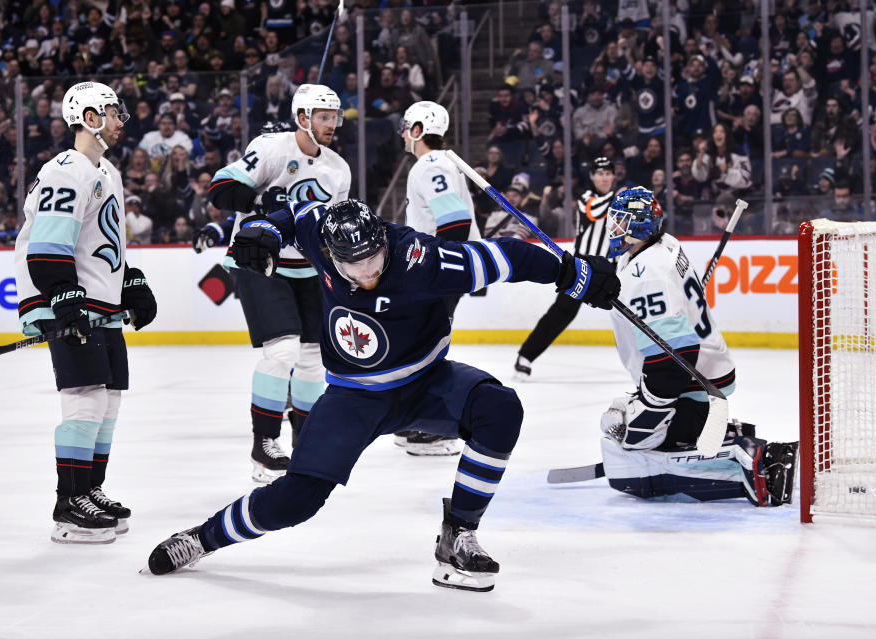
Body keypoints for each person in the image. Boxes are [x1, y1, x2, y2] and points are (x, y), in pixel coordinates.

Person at [145, 197, 620, 590]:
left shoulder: (423, 260)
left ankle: (459, 536)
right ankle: (201, 538)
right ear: (329, 254)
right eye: (353, 263)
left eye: (374, 257)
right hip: (353, 398)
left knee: (499, 408)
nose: (368, 271)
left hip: (425, 385)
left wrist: (574, 275)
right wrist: (266, 229)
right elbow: (294, 213)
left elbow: (510, 257)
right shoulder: (322, 233)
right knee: (297, 500)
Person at [13, 82, 158, 544]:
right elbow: (46, 247)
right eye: (115, 113)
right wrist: (62, 295)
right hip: (69, 300)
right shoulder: (65, 169)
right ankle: (68, 503)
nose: (121, 121)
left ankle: (90, 490)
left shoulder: (106, 171)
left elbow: (103, 241)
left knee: (109, 399)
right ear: (90, 117)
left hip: (99, 301)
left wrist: (129, 281)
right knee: (85, 398)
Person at [597, 186, 797, 506]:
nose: (613, 227)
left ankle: (756, 463)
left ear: (638, 226)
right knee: (623, 424)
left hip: (693, 380)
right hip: (710, 367)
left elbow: (674, 357)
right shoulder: (665, 244)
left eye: (620, 221)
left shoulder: (646, 273)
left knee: (634, 449)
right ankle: (712, 433)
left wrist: (650, 408)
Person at [197, 85, 351, 483]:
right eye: (323, 116)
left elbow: (331, 229)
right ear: (302, 118)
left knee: (314, 360)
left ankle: (307, 440)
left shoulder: (338, 169)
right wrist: (261, 202)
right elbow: (221, 188)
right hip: (258, 258)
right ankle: (264, 443)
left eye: (335, 116)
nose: (332, 124)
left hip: (310, 268)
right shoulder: (271, 147)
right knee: (282, 351)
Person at [397, 100, 480, 456]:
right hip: (443, 268)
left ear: (418, 131)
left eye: (406, 126)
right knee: (419, 344)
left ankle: (440, 427)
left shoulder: (429, 164)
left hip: (440, 270)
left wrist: (439, 270)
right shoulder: (440, 163)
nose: (402, 132)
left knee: (426, 347)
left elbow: (456, 222)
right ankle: (422, 421)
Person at [514, 156, 618, 378]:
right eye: (600, 173)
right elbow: (594, 212)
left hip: (612, 268)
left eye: (608, 173)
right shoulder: (586, 198)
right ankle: (525, 356)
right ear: (591, 176)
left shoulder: (618, 201)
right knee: (562, 313)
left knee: (631, 312)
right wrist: (618, 197)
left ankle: (653, 363)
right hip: (585, 269)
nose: (604, 177)